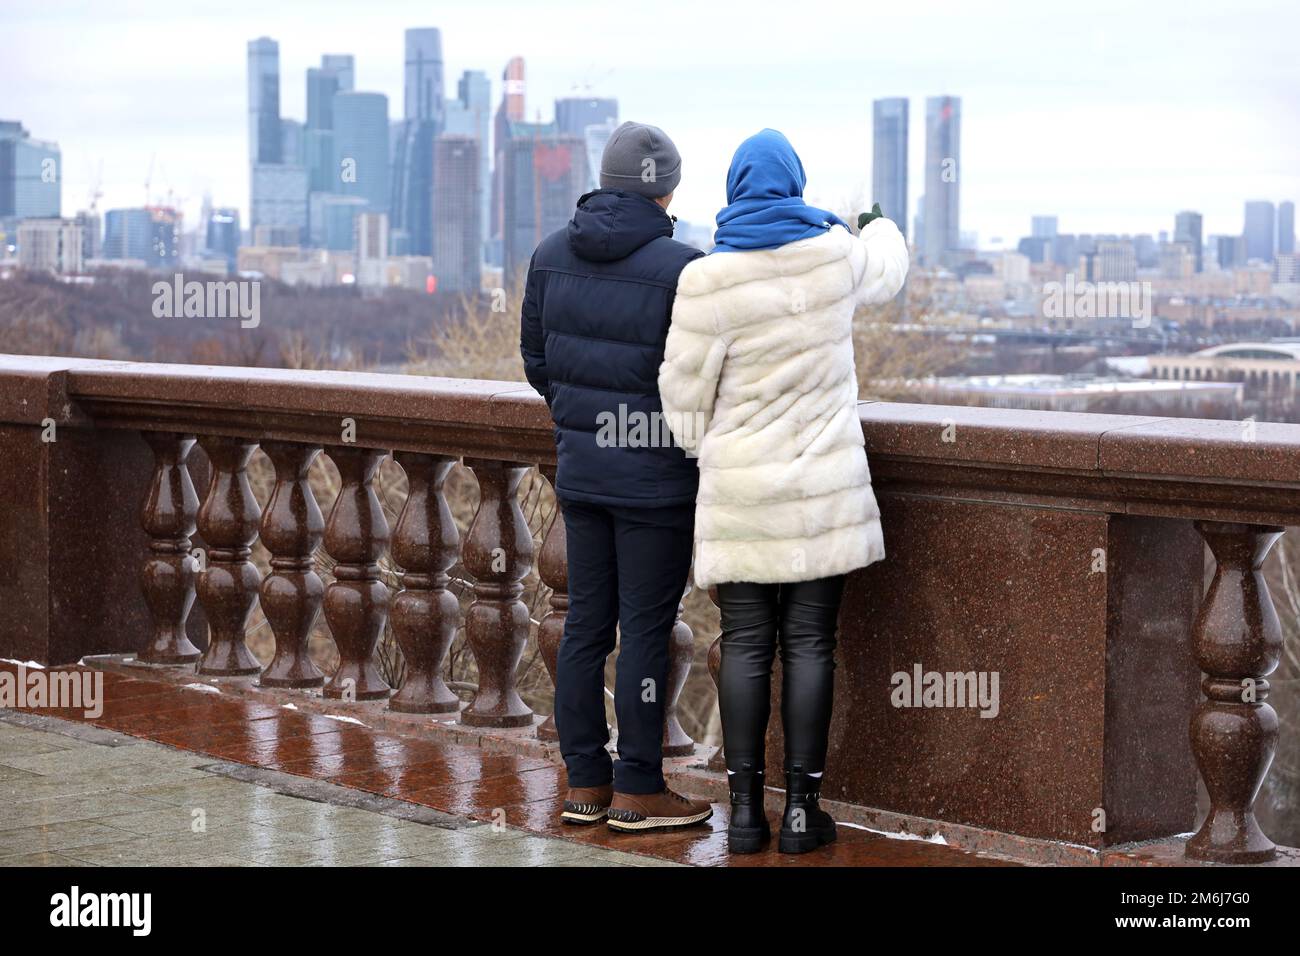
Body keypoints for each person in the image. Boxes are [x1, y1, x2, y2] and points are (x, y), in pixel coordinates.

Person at [658, 129, 909, 854]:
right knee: (809, 646)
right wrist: (872, 214)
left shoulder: (708, 278)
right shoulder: (833, 256)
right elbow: (889, 267)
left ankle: (742, 815)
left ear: (734, 190)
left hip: (740, 495)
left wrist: (718, 452)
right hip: (824, 494)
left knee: (742, 645)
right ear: (795, 186)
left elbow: (681, 404)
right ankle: (803, 811)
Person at [520, 121, 713, 833]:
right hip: (656, 484)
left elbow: (536, 363)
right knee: (647, 630)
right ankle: (639, 788)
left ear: (605, 180)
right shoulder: (684, 269)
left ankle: (585, 785)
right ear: (667, 190)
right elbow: (698, 383)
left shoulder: (547, 256)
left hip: (581, 475)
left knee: (582, 629)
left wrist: (582, 422)